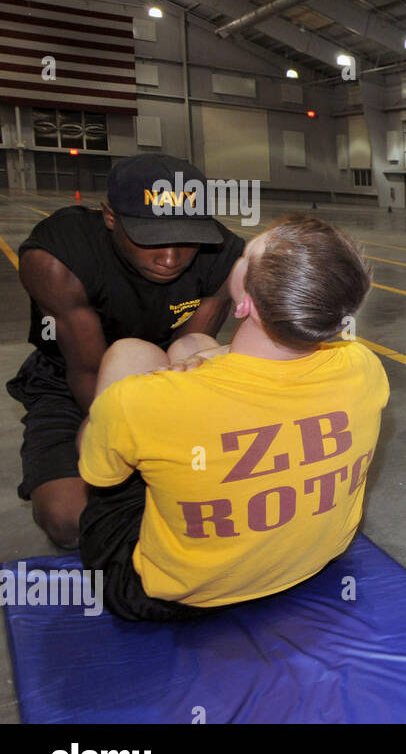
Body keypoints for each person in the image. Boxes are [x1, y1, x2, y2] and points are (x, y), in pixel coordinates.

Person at [77, 216, 386, 621]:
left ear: (244, 304)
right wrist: (209, 356)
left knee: (129, 353)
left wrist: (111, 409)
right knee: (193, 343)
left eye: (245, 256)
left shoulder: (136, 400)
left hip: (178, 594)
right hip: (309, 562)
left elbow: (97, 475)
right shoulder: (364, 363)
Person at [6, 154, 244, 550]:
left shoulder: (224, 256)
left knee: (212, 500)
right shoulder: (58, 256)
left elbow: (189, 356)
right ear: (111, 217)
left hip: (165, 370)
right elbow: (87, 372)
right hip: (72, 380)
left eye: (187, 238)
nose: (170, 259)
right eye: (152, 238)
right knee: (69, 520)